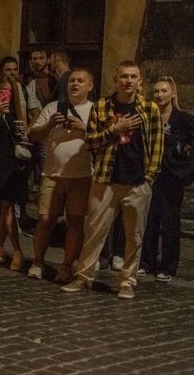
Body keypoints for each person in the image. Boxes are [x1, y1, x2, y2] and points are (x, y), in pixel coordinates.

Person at [62, 61, 163, 300]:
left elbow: (158, 146)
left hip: (137, 182)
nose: (128, 81)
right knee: (95, 231)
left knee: (133, 235)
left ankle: (127, 281)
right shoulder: (102, 106)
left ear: (140, 81)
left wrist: (149, 177)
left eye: (133, 77)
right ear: (116, 80)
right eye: (124, 76)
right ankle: (83, 277)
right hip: (105, 180)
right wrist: (115, 129)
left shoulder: (149, 108)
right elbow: (91, 142)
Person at [26, 68, 94, 282]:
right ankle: (37, 262)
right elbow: (33, 134)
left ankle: (66, 266)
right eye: (72, 80)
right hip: (52, 174)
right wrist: (49, 124)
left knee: (75, 222)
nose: (75, 84)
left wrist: (84, 128)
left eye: (80, 81)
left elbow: (103, 138)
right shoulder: (52, 107)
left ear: (89, 86)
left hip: (81, 176)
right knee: (45, 219)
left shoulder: (95, 110)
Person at [139, 76, 193, 283]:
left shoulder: (183, 119)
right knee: (149, 220)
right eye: (156, 91)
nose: (160, 95)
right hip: (150, 177)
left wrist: (186, 170)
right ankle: (146, 262)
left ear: (172, 93)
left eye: (164, 91)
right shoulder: (149, 116)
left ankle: (168, 266)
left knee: (170, 222)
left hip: (172, 178)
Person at [0, 75, 30, 272]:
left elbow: (24, 138)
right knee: (6, 206)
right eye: (3, 91)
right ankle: (15, 250)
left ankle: (2, 248)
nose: (6, 95)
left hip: (14, 163)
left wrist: (24, 132)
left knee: (6, 207)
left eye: (9, 92)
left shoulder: (18, 113)